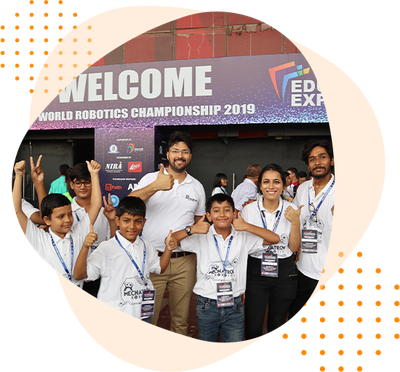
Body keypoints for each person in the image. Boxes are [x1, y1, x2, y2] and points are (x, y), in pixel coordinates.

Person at [171, 194, 280, 342]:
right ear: (209, 215)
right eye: (216, 211)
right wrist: (193, 229)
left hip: (234, 303)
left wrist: (247, 226)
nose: (222, 214)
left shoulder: (243, 236)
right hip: (207, 302)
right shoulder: (202, 235)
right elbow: (171, 240)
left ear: (234, 213)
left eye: (227, 210)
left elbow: (275, 239)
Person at [128, 131, 206, 335]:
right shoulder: (151, 178)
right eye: (176, 150)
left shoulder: (197, 187)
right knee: (147, 317)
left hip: (184, 261)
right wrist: (156, 186)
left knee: (181, 320)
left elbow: (199, 226)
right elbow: (129, 204)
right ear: (168, 154)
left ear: (190, 156)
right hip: (152, 258)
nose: (180, 155)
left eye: (185, 151)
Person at [74, 196, 178, 322]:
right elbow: (79, 275)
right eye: (126, 220)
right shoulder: (106, 248)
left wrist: (168, 249)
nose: (132, 226)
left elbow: (160, 268)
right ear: (117, 220)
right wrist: (85, 247)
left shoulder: (146, 245)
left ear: (144, 222)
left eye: (138, 221)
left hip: (142, 314)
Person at [12, 156, 102, 288]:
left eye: (70, 214)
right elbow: (17, 210)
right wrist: (19, 175)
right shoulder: (38, 238)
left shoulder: (78, 231)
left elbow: (96, 206)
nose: (68, 220)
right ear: (47, 220)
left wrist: (94, 175)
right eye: (60, 217)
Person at [240, 164, 303, 339]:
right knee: (253, 324)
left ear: (284, 185)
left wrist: (296, 222)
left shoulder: (291, 210)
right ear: (260, 185)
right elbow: (244, 245)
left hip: (284, 271)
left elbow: (294, 248)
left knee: (278, 322)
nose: (271, 186)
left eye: (276, 182)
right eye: (266, 182)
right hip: (255, 269)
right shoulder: (249, 210)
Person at [288, 139, 335, 320]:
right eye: (312, 159)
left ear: (331, 160)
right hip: (302, 269)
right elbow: (292, 215)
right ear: (308, 165)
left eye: (322, 157)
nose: (317, 162)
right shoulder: (303, 188)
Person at [67, 162, 118, 297]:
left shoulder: (104, 212)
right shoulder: (66, 212)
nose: (83, 187)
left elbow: (112, 242)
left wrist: (112, 220)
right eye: (78, 183)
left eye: (87, 182)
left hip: (98, 273)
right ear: (72, 185)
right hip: (71, 272)